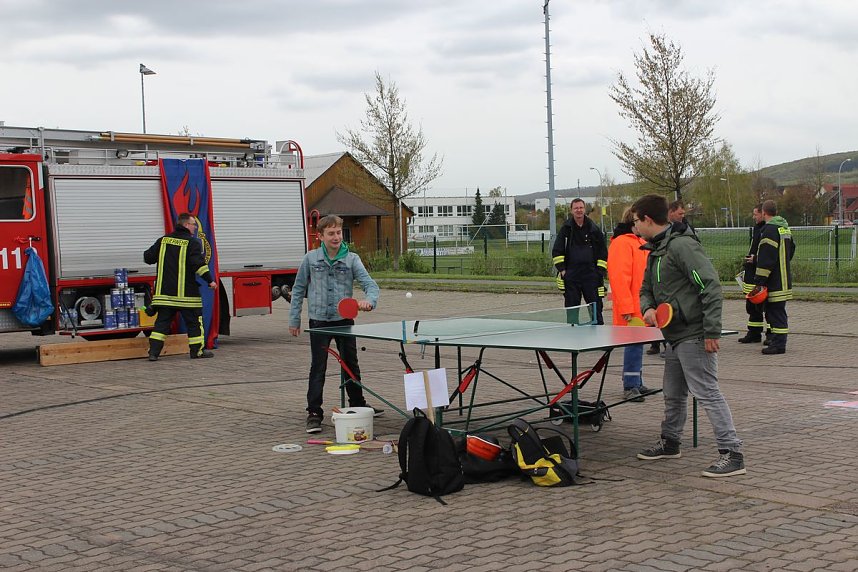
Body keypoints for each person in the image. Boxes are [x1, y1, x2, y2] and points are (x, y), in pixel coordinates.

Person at [632, 194, 745, 478]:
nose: (633, 226)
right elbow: (646, 288)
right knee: (673, 394)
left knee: (707, 393)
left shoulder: (682, 246)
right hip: (673, 335)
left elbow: (710, 286)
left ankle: (732, 453)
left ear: (647, 219)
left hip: (694, 334)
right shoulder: (656, 250)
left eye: (635, 221)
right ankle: (670, 442)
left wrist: (711, 331)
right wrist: (647, 308)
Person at [289, 214, 382, 434]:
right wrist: (295, 319)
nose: (336, 237)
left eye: (339, 232)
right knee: (318, 367)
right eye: (331, 233)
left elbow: (371, 286)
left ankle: (358, 404)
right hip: (319, 321)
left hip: (344, 322)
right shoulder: (310, 259)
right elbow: (298, 289)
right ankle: (314, 412)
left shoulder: (352, 259)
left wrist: (369, 301)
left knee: (351, 363)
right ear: (320, 236)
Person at [144, 213, 218, 361]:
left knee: (161, 325)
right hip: (187, 295)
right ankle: (196, 352)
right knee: (194, 323)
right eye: (193, 224)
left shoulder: (163, 240)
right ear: (186, 225)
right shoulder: (192, 243)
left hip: (165, 295)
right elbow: (199, 265)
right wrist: (210, 280)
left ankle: (153, 353)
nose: (195, 227)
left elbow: (148, 258)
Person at [607, 207, 651, 402]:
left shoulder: (639, 243)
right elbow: (619, 279)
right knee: (633, 346)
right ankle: (630, 385)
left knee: (638, 345)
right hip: (631, 308)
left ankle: (636, 382)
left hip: (640, 305)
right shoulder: (622, 244)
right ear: (634, 221)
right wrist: (626, 308)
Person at [552, 198, 608, 324]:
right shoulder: (566, 229)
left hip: (591, 276)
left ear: (585, 209)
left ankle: (598, 335)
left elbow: (603, 252)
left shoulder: (594, 229)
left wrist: (599, 272)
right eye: (576, 208)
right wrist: (563, 270)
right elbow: (557, 251)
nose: (579, 210)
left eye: (581, 207)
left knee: (595, 309)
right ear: (571, 210)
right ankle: (572, 338)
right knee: (572, 309)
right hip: (572, 276)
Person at [753, 200, 795, 355]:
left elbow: (766, 259)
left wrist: (759, 281)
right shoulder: (785, 228)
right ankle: (777, 341)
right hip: (784, 278)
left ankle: (778, 344)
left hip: (774, 281)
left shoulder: (769, 230)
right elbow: (791, 250)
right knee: (778, 311)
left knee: (775, 313)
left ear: (764, 212)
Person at [737, 205, 769, 344]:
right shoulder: (758, 229)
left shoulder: (767, 230)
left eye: (755, 214)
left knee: (765, 306)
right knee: (751, 305)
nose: (753, 217)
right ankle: (754, 333)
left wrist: (755, 259)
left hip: (760, 272)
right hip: (752, 272)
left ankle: (771, 334)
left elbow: (768, 253)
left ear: (763, 214)